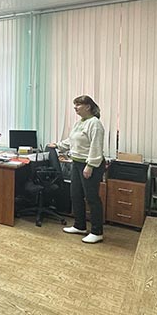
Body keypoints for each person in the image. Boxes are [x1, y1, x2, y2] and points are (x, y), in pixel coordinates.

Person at [52, 95, 106, 244]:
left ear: (88, 106)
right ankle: (79, 225)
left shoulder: (95, 123)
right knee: (75, 194)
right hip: (76, 163)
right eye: (74, 105)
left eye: (78, 105)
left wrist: (90, 165)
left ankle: (97, 232)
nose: (75, 108)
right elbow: (72, 141)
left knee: (92, 198)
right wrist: (57, 145)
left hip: (90, 165)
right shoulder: (79, 123)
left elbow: (96, 146)